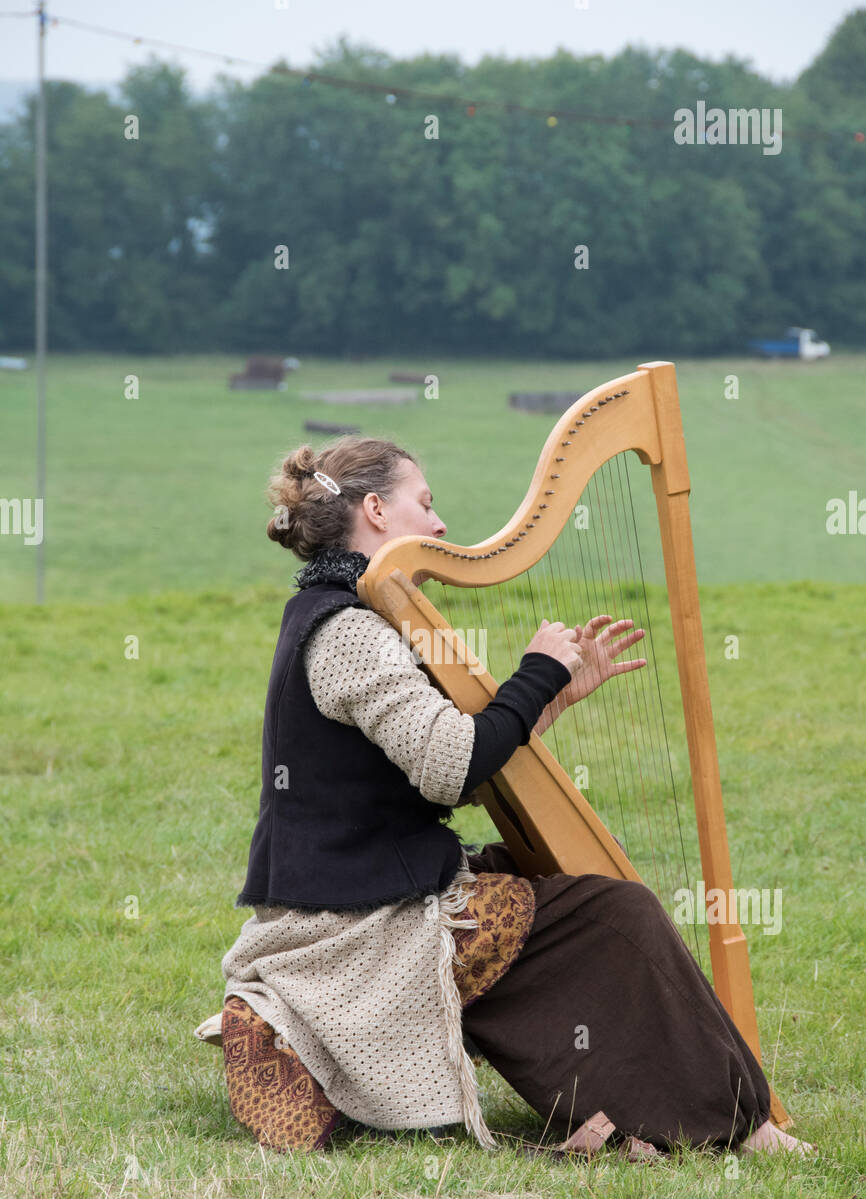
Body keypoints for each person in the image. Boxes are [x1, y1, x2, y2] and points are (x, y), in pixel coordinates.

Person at [198, 436, 814, 1161]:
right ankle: (728, 1121)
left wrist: (552, 699)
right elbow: (451, 767)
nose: (440, 526)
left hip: (373, 881)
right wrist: (537, 673)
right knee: (617, 913)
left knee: (562, 896)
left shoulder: (339, 614)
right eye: (423, 504)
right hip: (364, 919)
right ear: (374, 509)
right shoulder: (349, 633)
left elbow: (443, 752)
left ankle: (624, 1109)